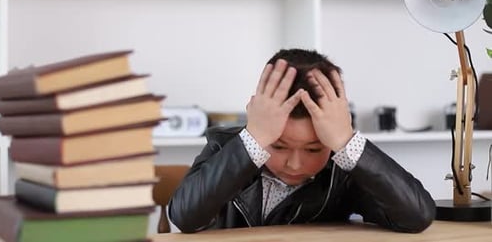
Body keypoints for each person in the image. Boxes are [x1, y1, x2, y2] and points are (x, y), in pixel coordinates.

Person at [169, 48, 435, 233]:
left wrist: (345, 140)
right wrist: (254, 139)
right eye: (279, 145)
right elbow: (185, 217)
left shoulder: (342, 166)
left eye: (313, 148)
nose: (295, 164)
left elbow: (417, 216)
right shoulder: (226, 146)